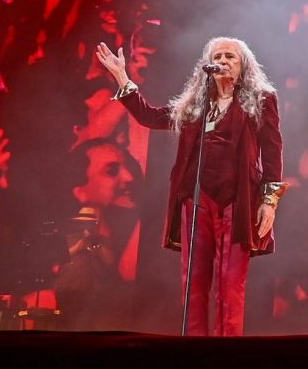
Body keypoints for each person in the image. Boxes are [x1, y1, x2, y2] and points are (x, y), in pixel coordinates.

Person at [95, 35, 283, 336]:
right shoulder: (195, 105)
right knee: (194, 281)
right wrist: (122, 77)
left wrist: (269, 202)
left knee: (230, 282)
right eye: (217, 56)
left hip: (238, 201)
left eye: (229, 57)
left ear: (243, 65)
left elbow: (273, 152)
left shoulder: (261, 100)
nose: (222, 61)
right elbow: (149, 116)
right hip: (196, 201)